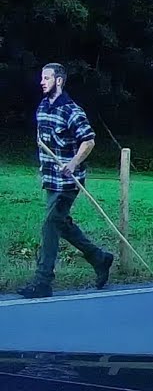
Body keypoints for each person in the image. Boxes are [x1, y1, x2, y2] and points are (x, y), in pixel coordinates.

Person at [16, 63, 113, 299]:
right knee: (61, 224)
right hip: (50, 180)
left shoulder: (72, 111)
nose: (42, 81)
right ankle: (100, 258)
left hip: (68, 184)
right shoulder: (42, 107)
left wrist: (72, 163)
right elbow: (43, 142)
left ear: (59, 81)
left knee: (50, 224)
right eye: (42, 77)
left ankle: (43, 281)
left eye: (47, 78)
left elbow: (88, 141)